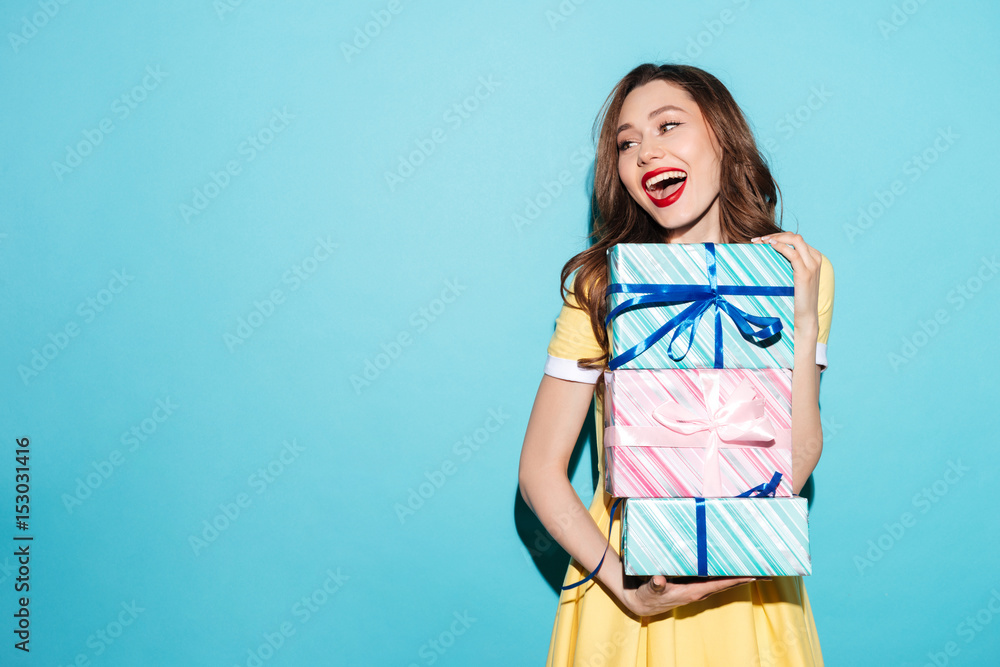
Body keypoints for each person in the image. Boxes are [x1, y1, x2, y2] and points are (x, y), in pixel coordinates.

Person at [517, 63, 835, 666]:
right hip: (633, 577)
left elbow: (796, 455)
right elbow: (538, 470)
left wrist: (805, 319)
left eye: (669, 126)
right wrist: (624, 587)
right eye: (627, 142)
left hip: (748, 578)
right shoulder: (601, 286)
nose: (645, 151)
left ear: (722, 135)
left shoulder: (798, 273)